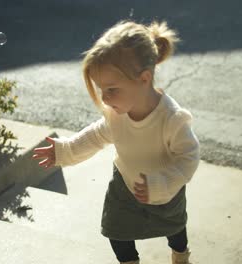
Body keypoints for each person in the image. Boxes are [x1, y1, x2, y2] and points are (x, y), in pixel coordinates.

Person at [32, 19, 200, 264]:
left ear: (144, 79)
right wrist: (65, 150)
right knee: (116, 231)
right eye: (101, 89)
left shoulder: (171, 119)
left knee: (174, 229)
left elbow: (188, 158)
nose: (104, 98)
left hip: (165, 189)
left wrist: (162, 184)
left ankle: (180, 254)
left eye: (111, 89)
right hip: (125, 184)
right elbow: (95, 136)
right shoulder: (116, 115)